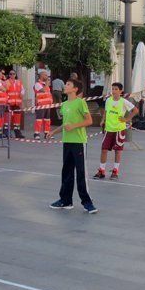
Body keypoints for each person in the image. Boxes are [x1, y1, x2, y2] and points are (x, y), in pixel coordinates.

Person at [48, 79, 97, 213]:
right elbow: (65, 124)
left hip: (79, 142)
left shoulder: (80, 102)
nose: (65, 86)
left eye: (68, 84)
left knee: (81, 172)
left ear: (75, 89)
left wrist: (74, 126)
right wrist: (53, 132)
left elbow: (89, 121)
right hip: (67, 141)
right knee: (67, 172)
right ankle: (65, 200)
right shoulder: (64, 105)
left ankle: (87, 202)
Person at [93, 82, 138, 181]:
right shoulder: (108, 100)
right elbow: (105, 111)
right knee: (104, 150)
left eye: (116, 89)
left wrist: (127, 119)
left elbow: (135, 110)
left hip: (119, 130)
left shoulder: (124, 102)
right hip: (108, 129)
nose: (113, 91)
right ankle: (101, 171)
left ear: (121, 91)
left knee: (118, 151)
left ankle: (115, 171)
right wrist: (102, 119)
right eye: (112, 89)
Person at [33, 70, 53, 140]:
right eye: (45, 75)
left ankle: (47, 133)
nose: (47, 76)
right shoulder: (37, 84)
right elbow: (43, 90)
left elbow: (48, 93)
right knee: (39, 120)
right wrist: (47, 84)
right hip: (40, 105)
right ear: (41, 76)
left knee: (47, 120)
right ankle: (36, 133)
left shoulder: (45, 84)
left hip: (47, 105)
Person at [6, 69, 25, 139]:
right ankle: (7, 133)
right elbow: (4, 91)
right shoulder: (7, 82)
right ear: (9, 75)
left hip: (17, 103)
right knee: (8, 119)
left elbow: (23, 90)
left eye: (13, 74)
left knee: (17, 119)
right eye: (10, 74)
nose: (12, 75)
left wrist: (22, 94)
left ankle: (17, 133)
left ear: (15, 75)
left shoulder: (19, 82)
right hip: (9, 103)